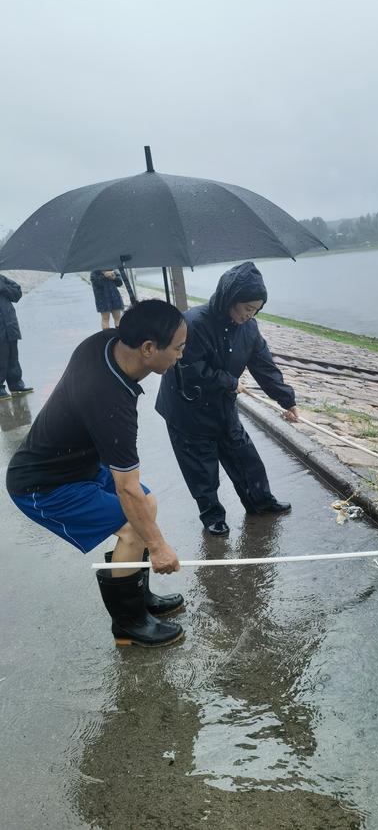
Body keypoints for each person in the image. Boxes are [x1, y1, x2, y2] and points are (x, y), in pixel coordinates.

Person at [5, 299, 188, 648]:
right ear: (148, 348)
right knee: (136, 528)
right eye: (178, 348)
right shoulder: (110, 402)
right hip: (43, 485)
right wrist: (159, 547)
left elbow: (135, 493)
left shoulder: (104, 342)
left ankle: (139, 597)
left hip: (78, 464)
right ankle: (129, 625)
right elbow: (127, 489)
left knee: (146, 504)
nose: (181, 354)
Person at [155, 261, 298, 536]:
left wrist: (286, 399)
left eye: (256, 310)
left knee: (245, 457)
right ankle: (212, 516)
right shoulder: (193, 323)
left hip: (222, 405)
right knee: (201, 468)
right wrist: (230, 381)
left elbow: (264, 366)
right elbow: (189, 368)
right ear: (230, 298)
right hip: (187, 409)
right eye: (247, 308)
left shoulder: (249, 329)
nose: (250, 315)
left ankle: (260, 502)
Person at [0, 273, 33, 400]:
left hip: (10, 325)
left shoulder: (2, 279)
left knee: (13, 357)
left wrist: (3, 288)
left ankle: (16, 384)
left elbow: (17, 293)